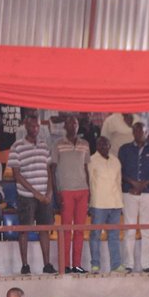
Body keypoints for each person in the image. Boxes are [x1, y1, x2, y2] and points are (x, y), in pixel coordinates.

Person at [9, 115, 56, 275]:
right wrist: (36, 193)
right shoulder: (17, 146)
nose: (34, 129)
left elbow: (49, 171)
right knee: (24, 230)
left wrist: (49, 192)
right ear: (25, 126)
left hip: (44, 196)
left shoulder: (44, 146)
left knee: (44, 229)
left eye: (37, 126)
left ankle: (47, 264)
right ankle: (25, 265)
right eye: (31, 126)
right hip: (26, 196)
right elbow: (17, 175)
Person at [118, 121, 149, 273]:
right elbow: (120, 171)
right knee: (129, 228)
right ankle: (128, 264)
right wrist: (133, 184)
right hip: (129, 193)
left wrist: (143, 185)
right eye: (136, 131)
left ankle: (146, 264)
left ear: (147, 132)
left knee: (147, 229)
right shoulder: (124, 149)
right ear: (133, 133)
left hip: (148, 193)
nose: (139, 134)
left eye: (141, 131)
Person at [52, 115, 90, 275]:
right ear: (64, 126)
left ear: (78, 126)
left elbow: (86, 169)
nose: (72, 125)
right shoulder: (58, 144)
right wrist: (56, 191)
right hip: (66, 190)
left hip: (83, 190)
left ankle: (77, 264)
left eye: (74, 123)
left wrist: (90, 190)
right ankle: (65, 264)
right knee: (66, 229)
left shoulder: (85, 144)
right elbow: (53, 169)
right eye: (69, 123)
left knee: (80, 229)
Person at [88, 135, 123, 274]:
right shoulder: (92, 160)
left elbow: (118, 182)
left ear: (110, 146)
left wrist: (120, 203)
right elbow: (89, 181)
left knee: (114, 235)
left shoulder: (115, 160)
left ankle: (116, 265)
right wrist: (89, 203)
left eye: (106, 145)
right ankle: (95, 265)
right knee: (95, 234)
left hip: (115, 203)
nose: (104, 147)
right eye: (101, 145)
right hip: (98, 203)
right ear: (97, 146)